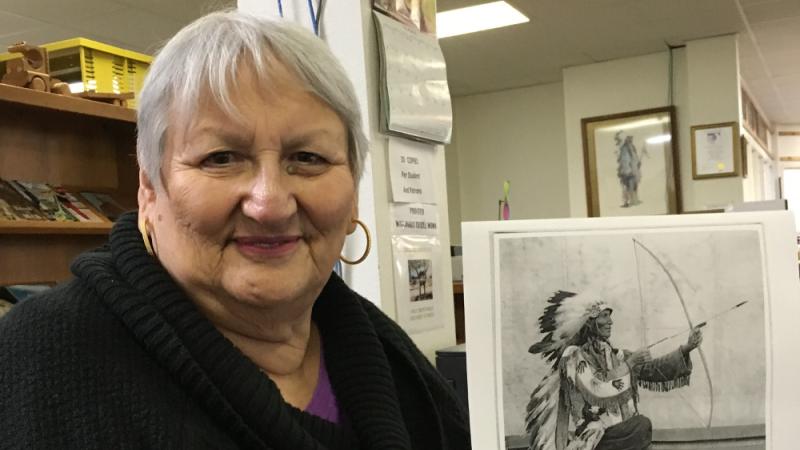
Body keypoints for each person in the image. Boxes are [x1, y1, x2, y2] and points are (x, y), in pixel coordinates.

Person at [0, 10, 470, 450]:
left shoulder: (395, 362)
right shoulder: (36, 364)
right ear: (149, 190)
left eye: (307, 158)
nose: (269, 203)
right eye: (220, 158)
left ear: (352, 198)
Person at [525, 291, 702, 450]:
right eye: (604, 316)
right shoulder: (573, 356)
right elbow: (596, 389)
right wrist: (629, 364)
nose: (610, 322)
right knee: (641, 425)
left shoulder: (615, 355)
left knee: (640, 426)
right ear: (590, 322)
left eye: (609, 316)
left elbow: (652, 370)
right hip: (595, 438)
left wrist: (687, 348)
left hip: (620, 433)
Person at [615, 132, 642, 208]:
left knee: (633, 185)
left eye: (631, 138)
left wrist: (637, 163)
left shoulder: (631, 147)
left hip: (631, 170)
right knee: (626, 186)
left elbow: (633, 158)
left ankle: (633, 200)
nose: (630, 140)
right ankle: (627, 202)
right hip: (627, 171)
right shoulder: (624, 148)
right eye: (629, 138)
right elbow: (624, 161)